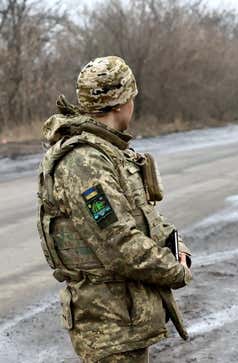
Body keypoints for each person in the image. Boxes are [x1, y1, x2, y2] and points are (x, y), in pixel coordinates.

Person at [36, 56, 192, 362]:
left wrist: (177, 245)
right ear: (121, 103)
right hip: (108, 326)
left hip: (126, 320)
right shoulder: (85, 162)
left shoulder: (110, 151)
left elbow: (146, 215)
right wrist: (175, 270)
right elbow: (118, 243)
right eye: (132, 97)